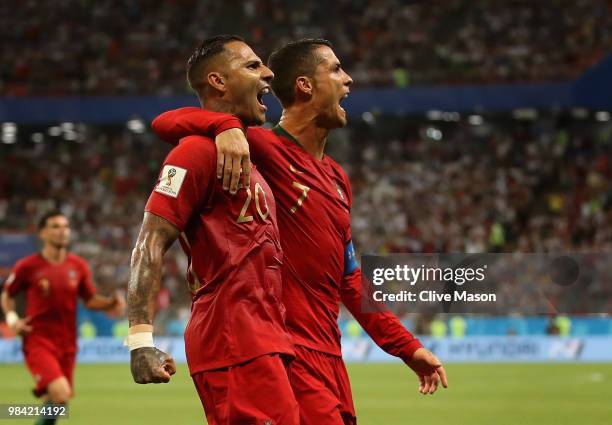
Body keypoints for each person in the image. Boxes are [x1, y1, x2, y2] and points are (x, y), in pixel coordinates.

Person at [152, 38, 448, 425]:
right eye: (337, 70)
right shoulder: (263, 147)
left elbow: (350, 278)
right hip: (285, 351)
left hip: (330, 356)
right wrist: (224, 125)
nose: (349, 80)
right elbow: (165, 122)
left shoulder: (338, 178)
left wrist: (406, 347)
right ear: (306, 85)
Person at [126, 35, 298, 425]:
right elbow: (148, 245)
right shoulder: (195, 153)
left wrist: (225, 124)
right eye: (252, 66)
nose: (267, 73)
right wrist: (140, 342)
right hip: (233, 340)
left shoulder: (250, 155)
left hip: (265, 338)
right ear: (218, 81)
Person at [1, 210, 125, 425]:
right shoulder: (28, 266)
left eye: (65, 227)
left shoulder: (78, 266)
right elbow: (7, 295)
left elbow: (89, 299)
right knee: (60, 393)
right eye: (55, 227)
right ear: (42, 233)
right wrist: (12, 319)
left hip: (67, 343)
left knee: (58, 405)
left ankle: (7, 413)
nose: (62, 231)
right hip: (38, 339)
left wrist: (110, 303)